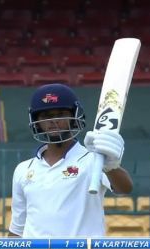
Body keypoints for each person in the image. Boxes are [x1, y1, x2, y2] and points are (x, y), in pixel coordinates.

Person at [8, 83, 133, 238]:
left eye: (61, 114)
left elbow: (124, 188)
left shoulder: (93, 159)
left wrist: (111, 166)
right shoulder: (23, 169)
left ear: (74, 117)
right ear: (37, 122)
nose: (53, 121)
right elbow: (17, 229)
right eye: (46, 116)